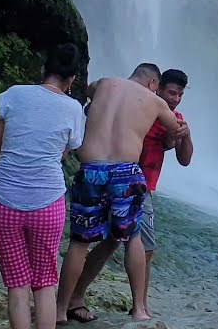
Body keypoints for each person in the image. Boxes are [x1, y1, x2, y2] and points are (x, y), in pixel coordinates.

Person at [55, 67, 180, 324]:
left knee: (79, 242)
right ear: (153, 82)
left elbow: (89, 92)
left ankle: (59, 310)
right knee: (132, 238)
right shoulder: (154, 100)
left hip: (91, 170)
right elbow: (176, 129)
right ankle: (139, 309)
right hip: (126, 172)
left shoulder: (104, 83)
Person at [0, 44, 88, 329]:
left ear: (43, 70)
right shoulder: (74, 109)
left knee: (17, 284)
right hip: (47, 202)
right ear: (71, 80)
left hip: (2, 198)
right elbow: (62, 153)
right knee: (44, 283)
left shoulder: (13, 94)